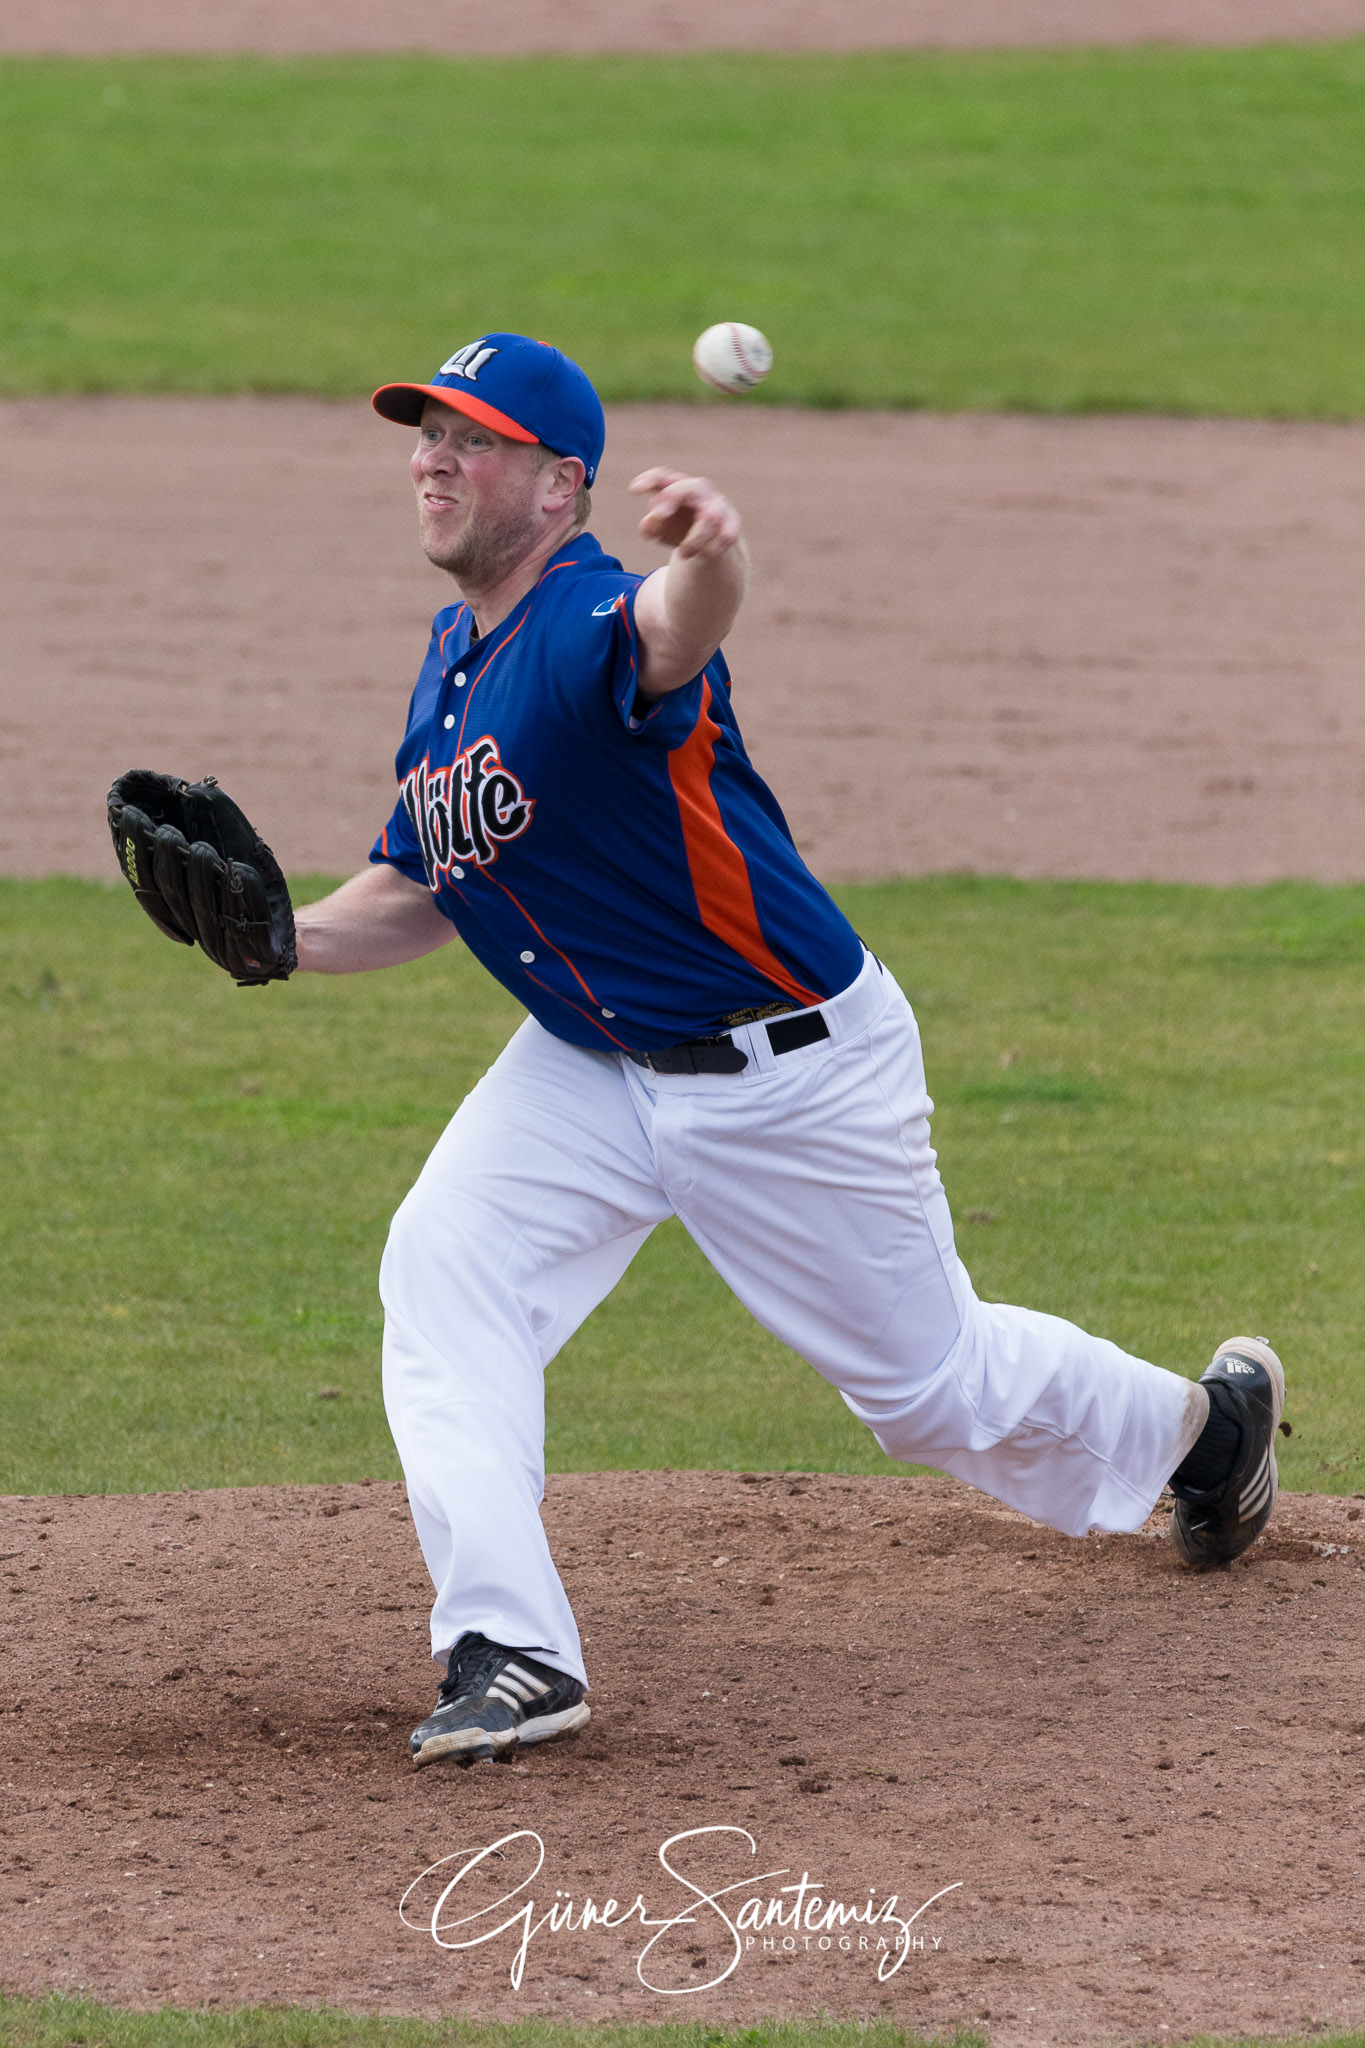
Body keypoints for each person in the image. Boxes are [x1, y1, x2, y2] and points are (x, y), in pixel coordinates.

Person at [292, 333, 1286, 1768]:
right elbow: (414, 889)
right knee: (445, 1267)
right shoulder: (452, 666)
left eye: (474, 439)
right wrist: (277, 934)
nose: (431, 458)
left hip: (789, 1072)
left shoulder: (586, 624)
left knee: (931, 1390)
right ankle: (508, 1648)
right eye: (425, 432)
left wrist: (715, 552)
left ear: (561, 484)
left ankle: (1207, 1436)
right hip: (594, 1060)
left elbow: (673, 629)